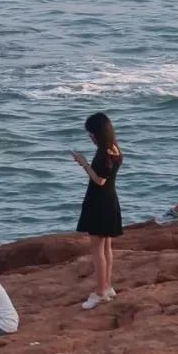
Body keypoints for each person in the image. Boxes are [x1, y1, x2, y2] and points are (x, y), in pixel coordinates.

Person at [72, 111, 123, 310]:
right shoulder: (115, 149)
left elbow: (99, 180)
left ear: (97, 133)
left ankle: (100, 291)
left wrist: (83, 163)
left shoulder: (102, 154)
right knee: (106, 246)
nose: (90, 137)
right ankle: (107, 286)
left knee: (97, 249)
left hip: (99, 202)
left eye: (91, 134)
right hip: (111, 200)